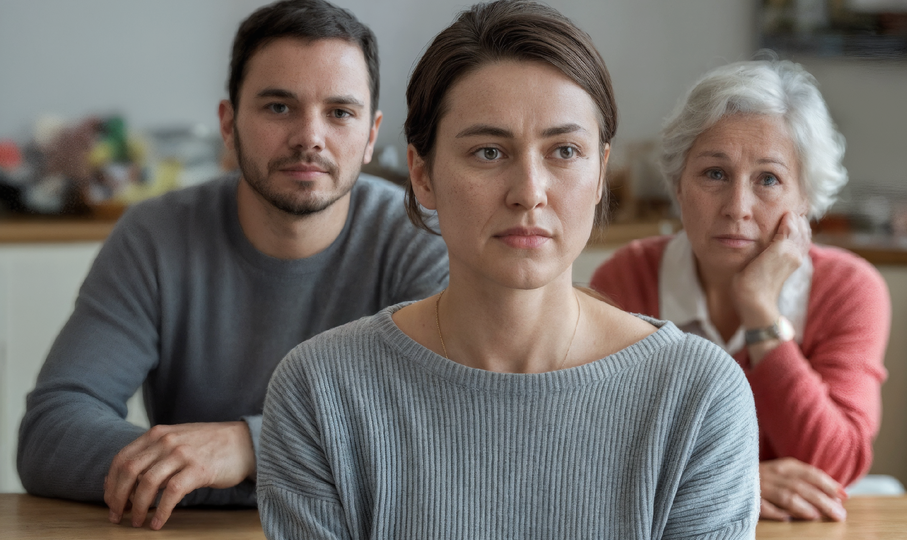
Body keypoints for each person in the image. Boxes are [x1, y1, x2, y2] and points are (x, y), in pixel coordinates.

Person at [257, 1, 760, 538]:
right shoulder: (320, 390)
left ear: (599, 176)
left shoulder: (699, 396)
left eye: (564, 150)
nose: (529, 193)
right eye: (489, 152)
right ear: (422, 174)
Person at [16, 0, 448, 531]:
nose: (310, 137)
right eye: (278, 107)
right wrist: (233, 469)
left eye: (339, 112)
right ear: (228, 123)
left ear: (370, 136)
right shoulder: (155, 237)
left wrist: (253, 447)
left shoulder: (421, 238)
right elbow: (51, 434)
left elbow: (440, 430)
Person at [590, 59, 890, 522]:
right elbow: (598, 453)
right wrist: (742, 478)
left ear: (804, 199)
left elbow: (836, 462)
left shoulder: (848, 289)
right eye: (714, 174)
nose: (737, 208)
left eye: (768, 179)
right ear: (678, 184)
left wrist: (759, 310)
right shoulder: (626, 279)